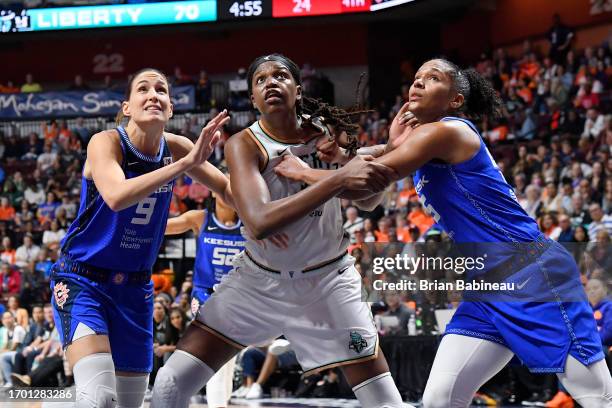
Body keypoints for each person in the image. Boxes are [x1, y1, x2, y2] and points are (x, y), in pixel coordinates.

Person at [275, 58, 612, 407]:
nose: (418, 83)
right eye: (417, 78)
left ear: (455, 100)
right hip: (486, 286)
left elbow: (366, 180)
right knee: (440, 399)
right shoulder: (420, 138)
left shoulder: (447, 131)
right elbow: (367, 195)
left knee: (599, 398)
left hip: (531, 274)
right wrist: (348, 153)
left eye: (432, 78)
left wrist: (304, 173)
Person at [151, 54, 407, 408]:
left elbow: (367, 200)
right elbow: (259, 221)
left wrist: (361, 160)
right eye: (260, 80)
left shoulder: (328, 129)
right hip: (259, 283)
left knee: (385, 402)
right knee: (169, 384)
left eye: (281, 75)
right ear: (253, 99)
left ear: (298, 90)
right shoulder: (244, 143)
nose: (270, 82)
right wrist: (337, 178)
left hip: (328, 283)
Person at [49, 68, 232, 408]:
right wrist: (184, 164)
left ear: (171, 108)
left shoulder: (178, 147)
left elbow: (227, 190)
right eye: (143, 89)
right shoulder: (106, 142)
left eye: (161, 90)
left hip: (135, 289)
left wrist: (281, 195)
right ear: (127, 106)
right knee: (100, 396)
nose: (153, 94)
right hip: (83, 280)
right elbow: (117, 196)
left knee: (129, 403)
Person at [164, 185, 249, 408]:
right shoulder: (200, 218)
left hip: (240, 297)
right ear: (213, 190)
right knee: (216, 345)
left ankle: (221, 399)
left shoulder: (250, 221)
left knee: (227, 357)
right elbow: (162, 227)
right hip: (205, 294)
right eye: (224, 184)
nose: (230, 190)